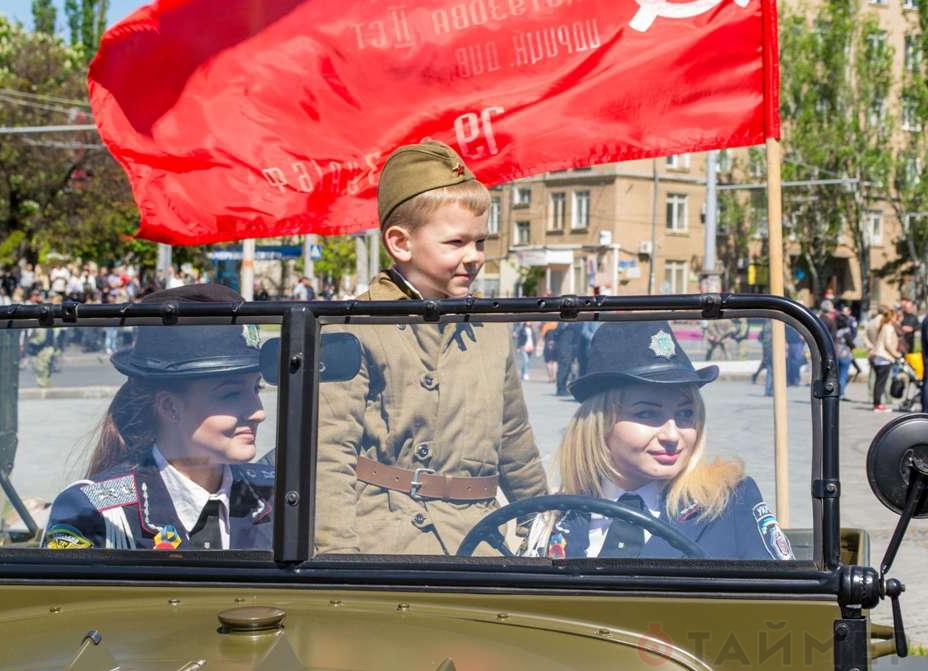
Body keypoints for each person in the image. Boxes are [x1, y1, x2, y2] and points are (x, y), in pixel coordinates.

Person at [315, 140, 548, 555]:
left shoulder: (489, 327)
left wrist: (544, 520)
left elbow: (514, 439)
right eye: (456, 243)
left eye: (481, 242)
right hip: (384, 539)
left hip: (479, 537)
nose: (474, 257)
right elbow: (329, 455)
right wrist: (335, 560)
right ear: (401, 243)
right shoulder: (354, 328)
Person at [524, 321, 793, 560]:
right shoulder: (558, 514)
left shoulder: (729, 502)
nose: (672, 435)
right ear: (599, 423)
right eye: (647, 413)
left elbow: (785, 606)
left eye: (686, 414)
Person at [42, 284, 274, 550]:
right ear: (169, 407)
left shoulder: (277, 496)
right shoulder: (95, 513)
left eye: (256, 389)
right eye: (230, 394)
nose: (259, 412)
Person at [869, 306, 901, 413]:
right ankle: (877, 404)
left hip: (878, 357)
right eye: (896, 317)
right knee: (881, 383)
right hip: (884, 358)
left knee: (878, 382)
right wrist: (896, 354)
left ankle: (876, 403)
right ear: (892, 318)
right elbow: (888, 344)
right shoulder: (889, 327)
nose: (896, 319)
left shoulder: (883, 326)